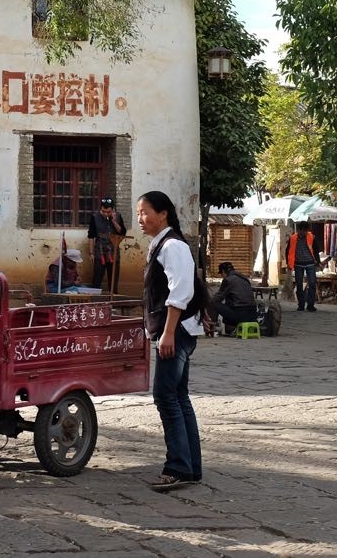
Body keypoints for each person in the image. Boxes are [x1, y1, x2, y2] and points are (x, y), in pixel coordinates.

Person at [138, 190, 206, 492]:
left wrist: (167, 332)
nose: (140, 218)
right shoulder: (161, 245)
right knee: (179, 397)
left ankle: (178, 467)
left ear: (162, 213)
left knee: (166, 396)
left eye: (144, 212)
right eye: (139, 213)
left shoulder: (173, 246)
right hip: (175, 330)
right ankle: (190, 468)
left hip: (176, 331)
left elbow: (181, 291)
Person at [88, 196, 127, 291]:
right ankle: (94, 301)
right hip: (99, 251)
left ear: (113, 210)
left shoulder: (118, 216)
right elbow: (91, 236)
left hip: (113, 251)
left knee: (113, 279)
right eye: (103, 211)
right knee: (97, 278)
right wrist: (91, 253)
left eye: (108, 212)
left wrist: (113, 221)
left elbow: (122, 232)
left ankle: (113, 301)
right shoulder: (95, 217)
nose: (106, 214)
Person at [209, 262, 257, 335]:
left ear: (223, 271)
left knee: (213, 304)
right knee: (228, 304)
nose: (222, 276)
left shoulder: (228, 280)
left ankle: (211, 329)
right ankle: (230, 329)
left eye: (221, 274)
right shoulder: (244, 278)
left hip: (240, 315)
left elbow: (217, 299)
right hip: (252, 315)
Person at [286, 221, 321, 312]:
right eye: (302, 231)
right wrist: (289, 264)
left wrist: (318, 262)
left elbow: (316, 250)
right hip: (298, 264)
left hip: (310, 263)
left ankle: (310, 305)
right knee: (299, 285)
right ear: (298, 230)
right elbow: (288, 251)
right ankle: (301, 305)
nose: (303, 233)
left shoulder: (311, 237)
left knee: (312, 284)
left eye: (305, 231)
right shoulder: (293, 238)